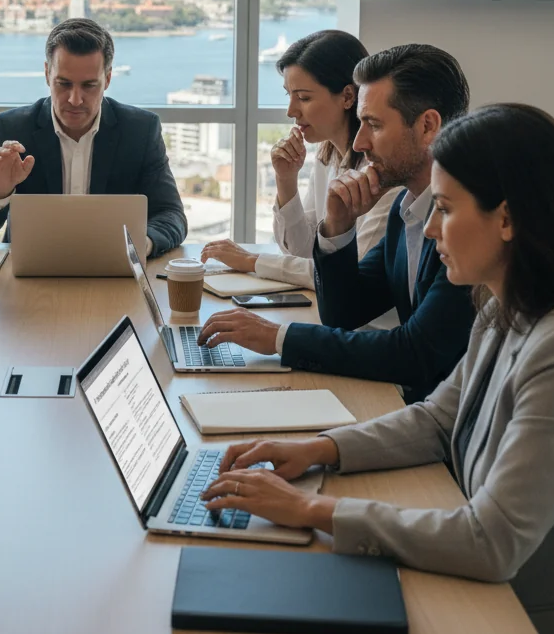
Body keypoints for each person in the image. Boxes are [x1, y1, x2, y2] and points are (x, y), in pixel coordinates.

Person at [200, 104, 554, 634]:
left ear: (508, 219)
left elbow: (491, 542)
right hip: (472, 583)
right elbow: (437, 420)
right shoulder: (501, 308)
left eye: (445, 208)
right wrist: (319, 448)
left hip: (515, 614)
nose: (433, 227)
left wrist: (313, 508)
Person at [199, 44, 475, 402]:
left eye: (373, 124)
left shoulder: (469, 224)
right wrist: (337, 228)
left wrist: (278, 337)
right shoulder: (406, 208)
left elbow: (414, 353)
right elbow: (344, 313)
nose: (359, 141)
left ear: (427, 126)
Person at [0, 18, 187, 256]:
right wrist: (0, 190)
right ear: (48, 74)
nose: (75, 99)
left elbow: (172, 216)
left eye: (89, 85)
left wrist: (141, 245)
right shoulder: (12, 128)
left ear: (107, 79)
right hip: (30, 276)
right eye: (64, 84)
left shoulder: (140, 130)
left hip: (116, 273)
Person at [201, 30, 401, 291]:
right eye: (289, 96)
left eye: (304, 98)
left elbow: (350, 273)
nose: (291, 111)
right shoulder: (327, 156)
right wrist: (286, 181)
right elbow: (303, 252)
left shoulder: (383, 173)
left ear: (348, 97)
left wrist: (250, 260)